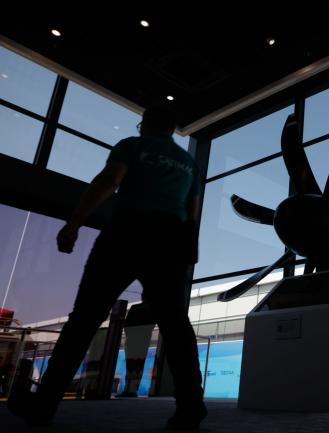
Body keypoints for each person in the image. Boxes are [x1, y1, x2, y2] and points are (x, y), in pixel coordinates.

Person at [8, 107, 206, 429]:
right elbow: (191, 215)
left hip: (127, 232)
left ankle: (43, 406)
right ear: (171, 129)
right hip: (170, 241)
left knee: (84, 320)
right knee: (176, 327)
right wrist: (185, 259)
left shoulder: (132, 145)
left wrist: (75, 221)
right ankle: (191, 407)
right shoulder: (190, 165)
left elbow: (109, 180)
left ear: (146, 124)